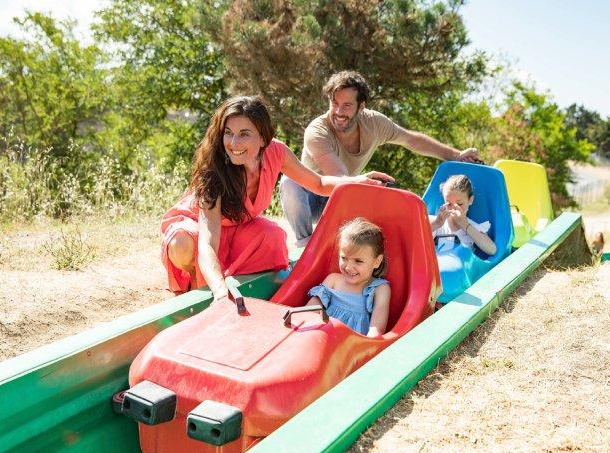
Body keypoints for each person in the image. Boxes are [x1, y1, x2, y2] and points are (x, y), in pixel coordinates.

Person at [161, 96, 394, 301]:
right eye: (228, 134)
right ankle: (195, 284)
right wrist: (220, 292)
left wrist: (356, 180)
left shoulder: (276, 153)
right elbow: (207, 243)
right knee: (183, 246)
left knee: (272, 237)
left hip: (238, 226)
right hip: (199, 228)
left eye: (244, 134)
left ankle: (243, 285)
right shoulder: (214, 172)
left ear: (263, 138)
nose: (234, 144)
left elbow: (319, 184)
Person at [280, 70, 482, 246]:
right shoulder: (317, 131)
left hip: (345, 194)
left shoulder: (374, 123)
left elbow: (411, 140)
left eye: (347, 105)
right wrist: (363, 182)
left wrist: (456, 155)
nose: (339, 112)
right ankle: (306, 246)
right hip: (313, 199)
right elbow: (338, 177)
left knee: (386, 190)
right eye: (335, 104)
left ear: (361, 107)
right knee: (290, 182)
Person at [306, 218, 391, 338]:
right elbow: (311, 309)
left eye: (358, 261)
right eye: (344, 258)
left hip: (353, 346)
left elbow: (377, 328)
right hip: (323, 338)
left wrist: (368, 347)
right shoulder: (333, 280)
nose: (348, 267)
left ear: (377, 261)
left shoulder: (379, 289)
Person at [430, 174, 497, 255]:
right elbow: (413, 239)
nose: (454, 208)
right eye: (449, 203)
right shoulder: (437, 222)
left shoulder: (472, 227)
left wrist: (464, 224)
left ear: (470, 200)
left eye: (459, 204)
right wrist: (436, 223)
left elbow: (492, 250)